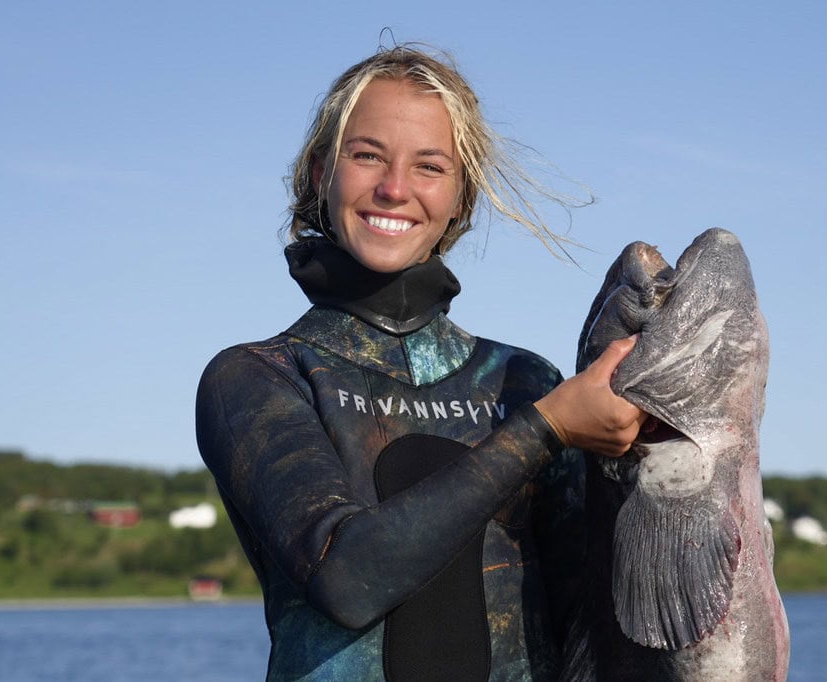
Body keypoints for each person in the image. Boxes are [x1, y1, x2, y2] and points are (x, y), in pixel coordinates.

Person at [195, 45, 646, 682]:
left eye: (429, 166)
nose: (394, 188)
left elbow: (593, 623)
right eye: (367, 155)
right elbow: (345, 579)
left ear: (462, 197)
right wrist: (544, 430)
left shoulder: (525, 382)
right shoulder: (259, 378)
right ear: (322, 172)